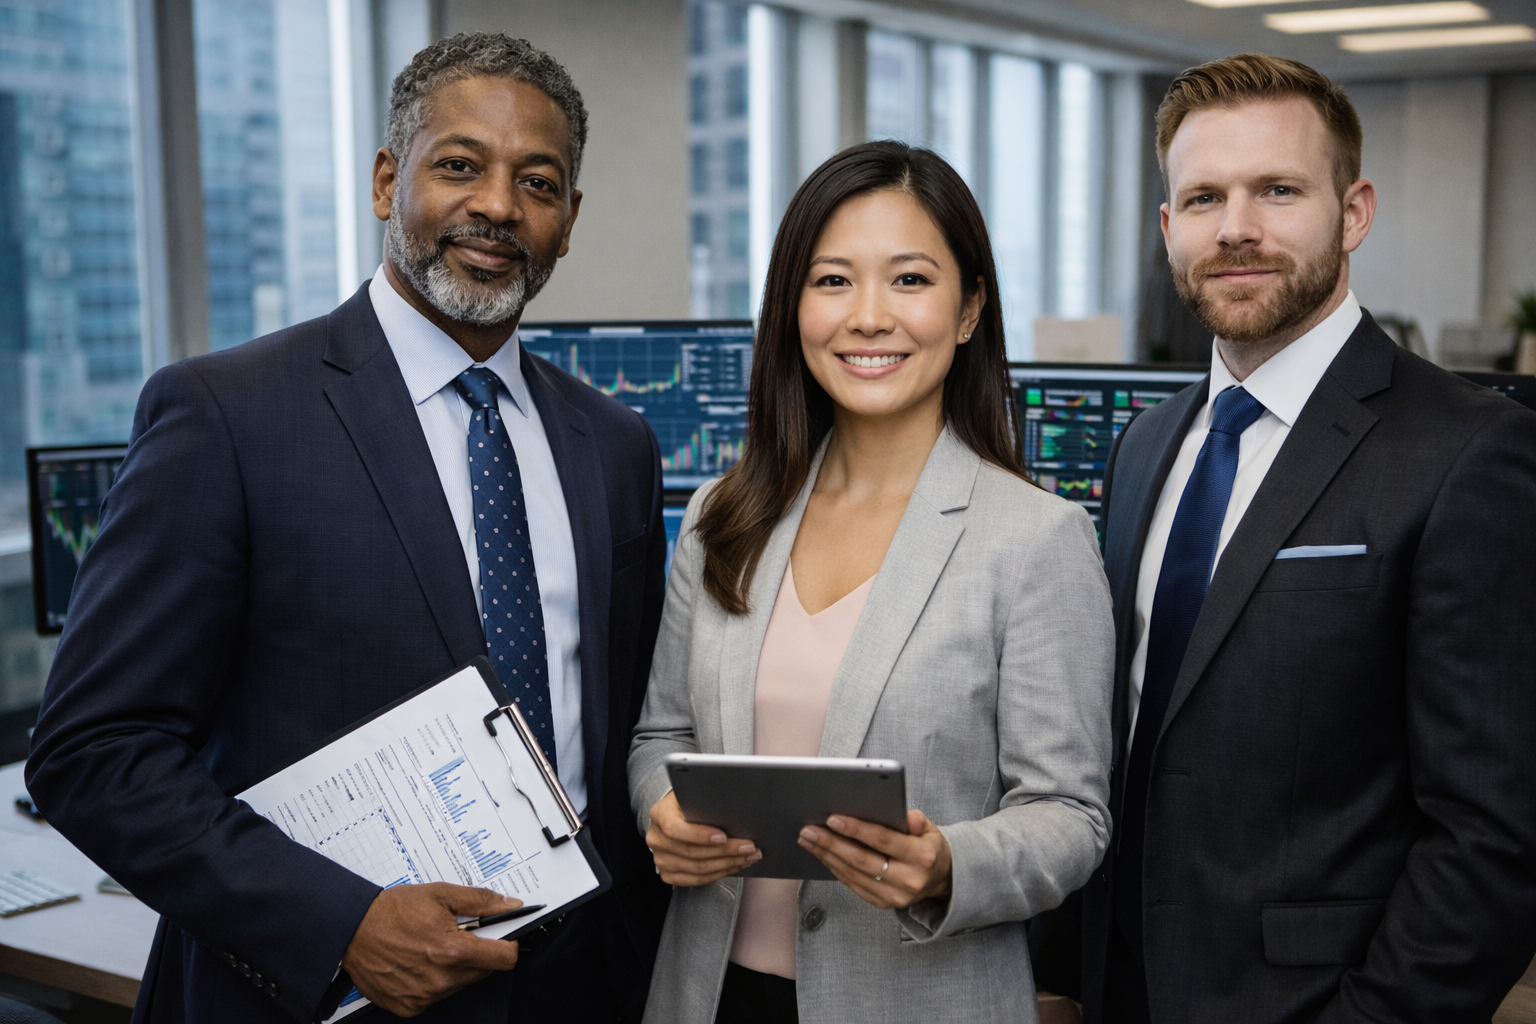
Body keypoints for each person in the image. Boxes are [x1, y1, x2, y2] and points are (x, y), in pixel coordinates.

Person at [25, 33, 669, 1024]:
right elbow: (92, 749)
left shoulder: (614, 443)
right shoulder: (227, 414)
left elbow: (619, 723)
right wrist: (341, 924)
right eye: (460, 165)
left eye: (536, 181)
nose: (498, 205)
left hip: (577, 988)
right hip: (321, 996)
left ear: (568, 222)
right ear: (385, 179)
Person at [1078, 54, 1536, 1023]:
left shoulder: (1470, 453)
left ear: (1353, 211)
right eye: (1203, 197)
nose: (1236, 226)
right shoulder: (1144, 447)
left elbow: (1497, 832)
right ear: (1169, 228)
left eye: (1277, 189)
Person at [627, 141, 1115, 1023]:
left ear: (968, 310)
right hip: (707, 996)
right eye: (833, 281)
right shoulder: (722, 516)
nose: (868, 317)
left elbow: (1069, 815)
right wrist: (662, 807)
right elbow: (661, 730)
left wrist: (949, 866)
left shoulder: (1038, 541)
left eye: (910, 281)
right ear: (792, 308)